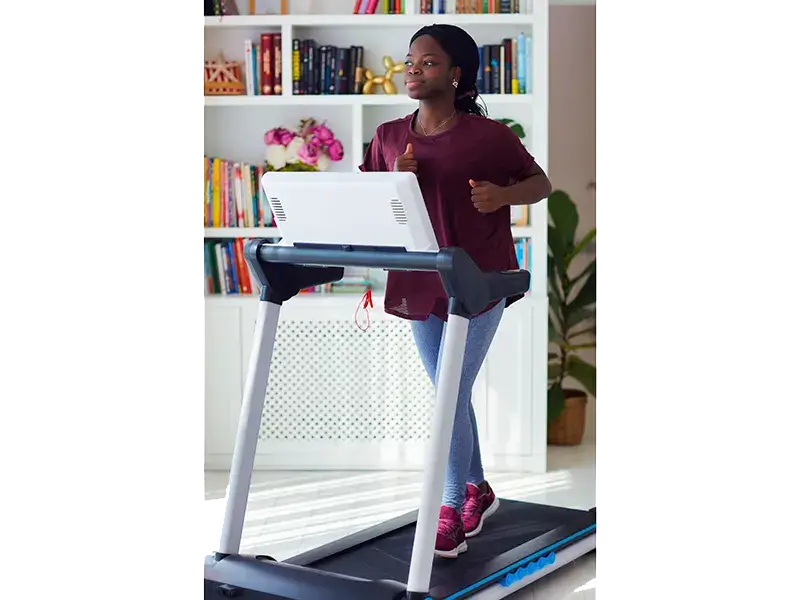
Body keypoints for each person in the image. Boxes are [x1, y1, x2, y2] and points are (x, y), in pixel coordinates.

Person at [359, 24, 552, 558]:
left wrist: (503, 195)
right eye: (410, 62)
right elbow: (369, 198)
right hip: (420, 279)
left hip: (477, 280)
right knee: (451, 394)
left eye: (427, 62)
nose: (413, 71)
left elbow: (540, 184)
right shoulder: (390, 136)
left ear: (455, 73)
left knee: (447, 394)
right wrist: (392, 179)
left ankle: (449, 508)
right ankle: (478, 490)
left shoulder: (489, 137)